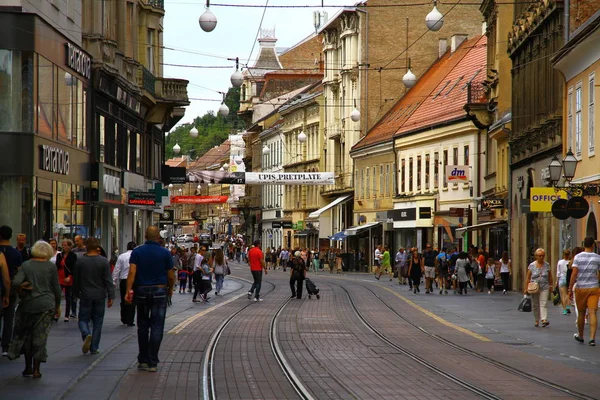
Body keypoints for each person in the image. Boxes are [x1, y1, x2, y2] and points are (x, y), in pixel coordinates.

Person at [7, 240, 61, 378]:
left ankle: (28, 367)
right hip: (46, 305)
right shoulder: (50, 267)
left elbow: (16, 282)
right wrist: (58, 306)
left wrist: (22, 288)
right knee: (40, 336)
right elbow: (56, 289)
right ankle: (37, 369)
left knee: (27, 335)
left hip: (28, 304)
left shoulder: (26, 265)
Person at [125, 226, 175, 372]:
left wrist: (128, 290)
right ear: (158, 237)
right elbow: (171, 275)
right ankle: (153, 362)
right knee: (157, 326)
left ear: (145, 236)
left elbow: (132, 272)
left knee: (143, 325)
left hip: (141, 291)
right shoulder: (165, 253)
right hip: (160, 291)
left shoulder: (137, 251)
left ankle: (143, 359)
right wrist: (170, 289)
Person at [73, 237, 115, 355]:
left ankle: (86, 333)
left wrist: (75, 294)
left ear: (86, 246)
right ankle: (94, 347)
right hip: (100, 295)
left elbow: (76, 280)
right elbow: (108, 280)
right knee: (98, 321)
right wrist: (111, 296)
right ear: (97, 247)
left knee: (83, 319)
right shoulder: (103, 261)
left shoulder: (80, 261)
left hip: (85, 294)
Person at [570, 237, 600, 346]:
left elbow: (574, 274)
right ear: (593, 245)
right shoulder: (597, 258)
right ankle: (592, 338)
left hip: (581, 288)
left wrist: (570, 288)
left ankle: (581, 335)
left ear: (584, 245)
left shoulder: (577, 257)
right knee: (592, 312)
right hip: (594, 288)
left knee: (581, 313)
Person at [0, 225, 23, 356]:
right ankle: (5, 345)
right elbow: (20, 272)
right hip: (10, 288)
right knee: (9, 317)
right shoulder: (16, 253)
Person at [524, 248, 553, 328]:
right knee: (535, 304)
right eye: (540, 256)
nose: (541, 257)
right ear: (536, 256)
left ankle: (544, 319)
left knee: (544, 303)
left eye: (543, 256)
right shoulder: (532, 265)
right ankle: (537, 320)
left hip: (544, 287)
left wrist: (551, 285)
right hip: (534, 288)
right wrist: (526, 288)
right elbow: (528, 277)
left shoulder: (547, 265)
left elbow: (550, 276)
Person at [112, 242, 137, 326]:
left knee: (123, 299)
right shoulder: (137, 256)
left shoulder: (121, 256)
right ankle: (130, 320)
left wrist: (113, 281)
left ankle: (124, 318)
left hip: (124, 281)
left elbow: (117, 270)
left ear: (127, 247)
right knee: (132, 300)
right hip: (133, 280)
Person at [56, 239, 78, 322]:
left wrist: (69, 276)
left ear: (70, 246)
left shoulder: (73, 256)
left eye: (66, 245)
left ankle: (67, 315)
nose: (64, 247)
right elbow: (57, 265)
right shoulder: (59, 255)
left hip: (68, 278)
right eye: (63, 245)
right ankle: (57, 312)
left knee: (68, 297)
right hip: (60, 277)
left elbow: (73, 267)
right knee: (57, 296)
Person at [556, 249, 571, 315]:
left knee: (563, 295)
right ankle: (568, 306)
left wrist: (557, 281)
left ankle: (564, 310)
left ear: (563, 254)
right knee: (568, 294)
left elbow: (558, 272)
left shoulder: (560, 262)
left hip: (562, 279)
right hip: (568, 279)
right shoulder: (570, 262)